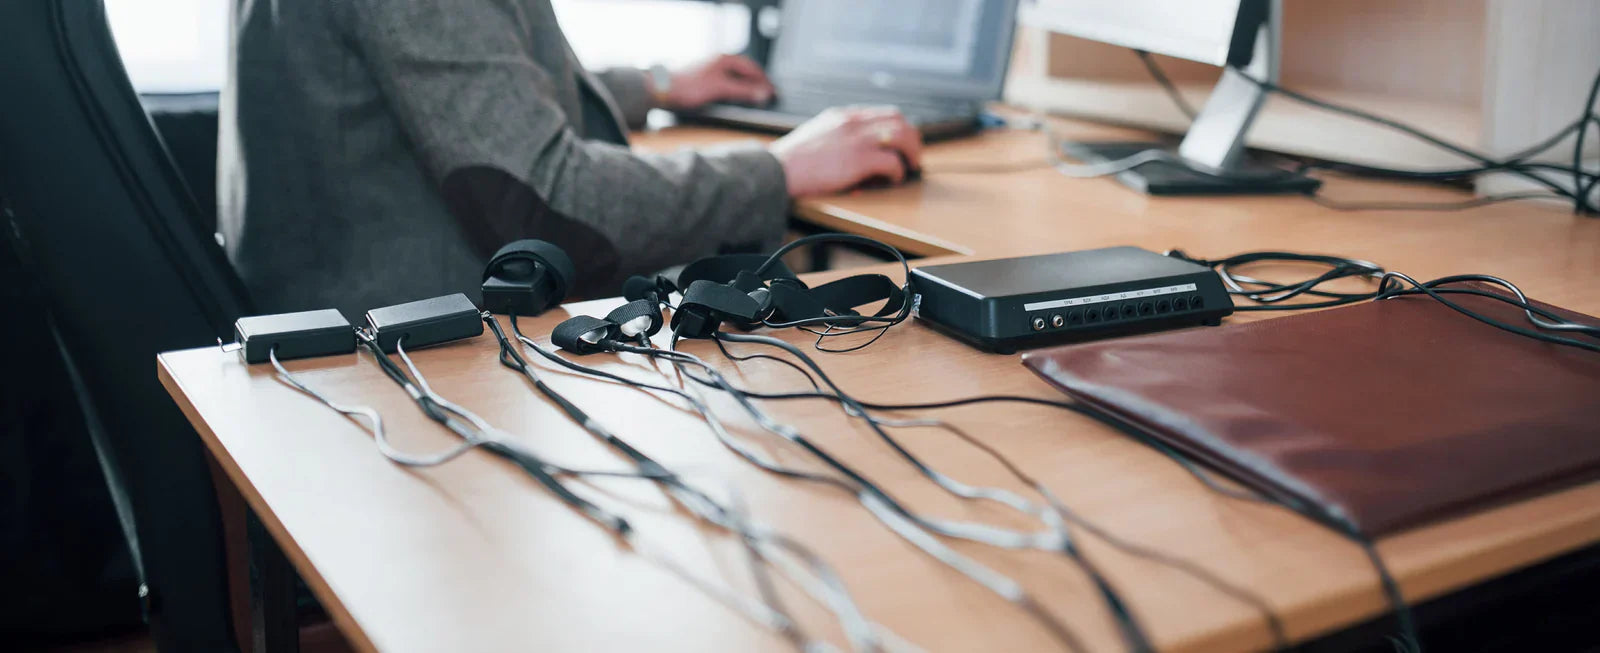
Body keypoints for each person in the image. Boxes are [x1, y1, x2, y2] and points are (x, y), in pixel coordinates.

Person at [219, 0, 923, 318]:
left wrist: (655, 86)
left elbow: (465, 79)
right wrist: (779, 169)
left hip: (329, 302)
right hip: (407, 362)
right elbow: (549, 200)